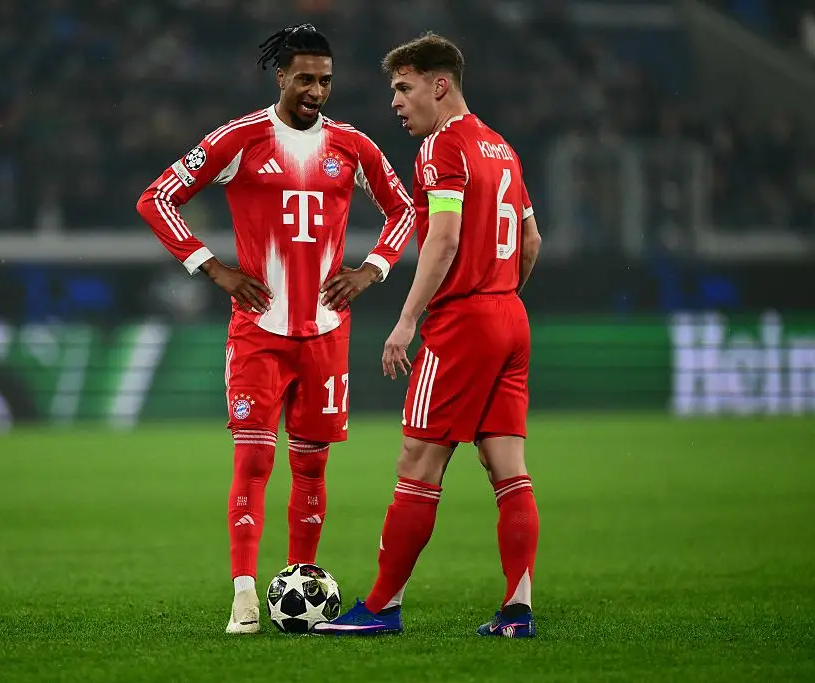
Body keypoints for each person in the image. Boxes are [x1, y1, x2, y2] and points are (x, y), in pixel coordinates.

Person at [136, 23, 416, 635]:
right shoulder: (239, 138)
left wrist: (371, 270)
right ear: (281, 76)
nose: (317, 90)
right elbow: (156, 199)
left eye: (326, 80)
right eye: (305, 78)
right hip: (259, 331)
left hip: (326, 333)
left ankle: (301, 586)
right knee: (254, 462)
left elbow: (406, 209)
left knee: (312, 468)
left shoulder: (353, 145)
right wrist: (213, 268)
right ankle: (243, 596)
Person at [313, 32, 543, 638]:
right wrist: (500, 293)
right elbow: (531, 240)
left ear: (440, 85)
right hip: (509, 317)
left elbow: (442, 239)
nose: (395, 100)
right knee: (508, 468)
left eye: (403, 87)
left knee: (417, 463)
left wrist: (408, 319)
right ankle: (517, 611)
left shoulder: (443, 146)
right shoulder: (501, 147)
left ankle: (381, 607)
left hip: (463, 322)